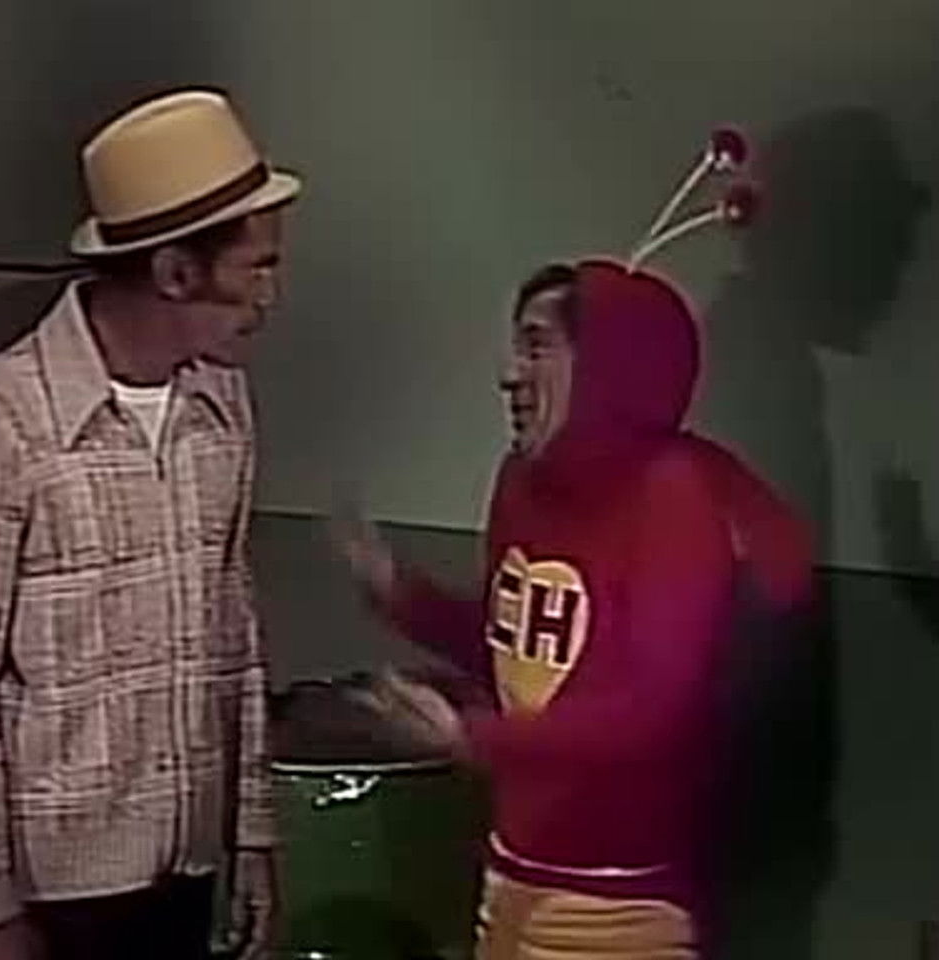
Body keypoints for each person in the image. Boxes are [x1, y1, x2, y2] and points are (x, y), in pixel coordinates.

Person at [0, 88, 301, 960]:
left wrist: (252, 837)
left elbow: (235, 634)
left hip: (187, 873)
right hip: (57, 894)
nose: (271, 295)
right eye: (258, 267)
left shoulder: (221, 404)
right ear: (175, 272)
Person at [335, 253, 814, 959]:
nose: (508, 375)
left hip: (618, 903)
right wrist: (404, 598)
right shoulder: (521, 481)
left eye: (536, 346)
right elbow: (525, 650)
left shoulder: (673, 493)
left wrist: (477, 738)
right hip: (510, 876)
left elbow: (655, 710)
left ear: (605, 370)